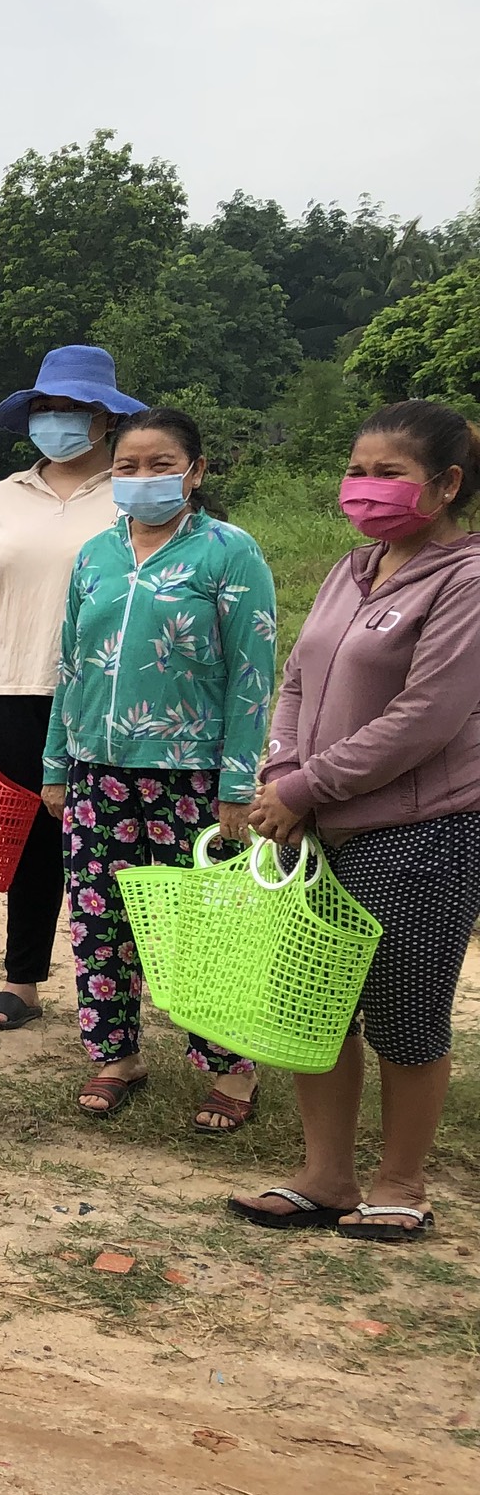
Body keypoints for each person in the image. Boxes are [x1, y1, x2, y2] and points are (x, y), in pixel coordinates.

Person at [234, 400, 480, 1237]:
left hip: (422, 831)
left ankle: (401, 1184)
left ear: (445, 485)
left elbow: (428, 717)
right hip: (320, 827)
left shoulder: (466, 580)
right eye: (357, 469)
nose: (364, 488)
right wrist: (281, 771)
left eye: (389, 473)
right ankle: (325, 1176)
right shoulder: (353, 567)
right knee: (316, 1005)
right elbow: (298, 675)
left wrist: (308, 789)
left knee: (405, 1011)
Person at [43, 409, 276, 1132]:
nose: (142, 479)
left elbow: (251, 674)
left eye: (159, 464)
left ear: (196, 472)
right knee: (99, 916)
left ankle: (233, 1069)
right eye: (127, 467)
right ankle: (117, 1056)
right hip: (96, 771)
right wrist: (56, 763)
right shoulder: (95, 555)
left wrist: (238, 784)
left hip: (192, 776)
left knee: (207, 924)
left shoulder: (229, 554)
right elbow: (71, 665)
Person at [0, 344, 137, 1032]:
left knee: (116, 849)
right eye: (47, 409)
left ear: (107, 419)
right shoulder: (3, 496)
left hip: (107, 698)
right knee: (28, 843)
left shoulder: (133, 492)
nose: (58, 421)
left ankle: (121, 995)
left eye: (74, 410)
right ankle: (21, 981)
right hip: (17, 691)